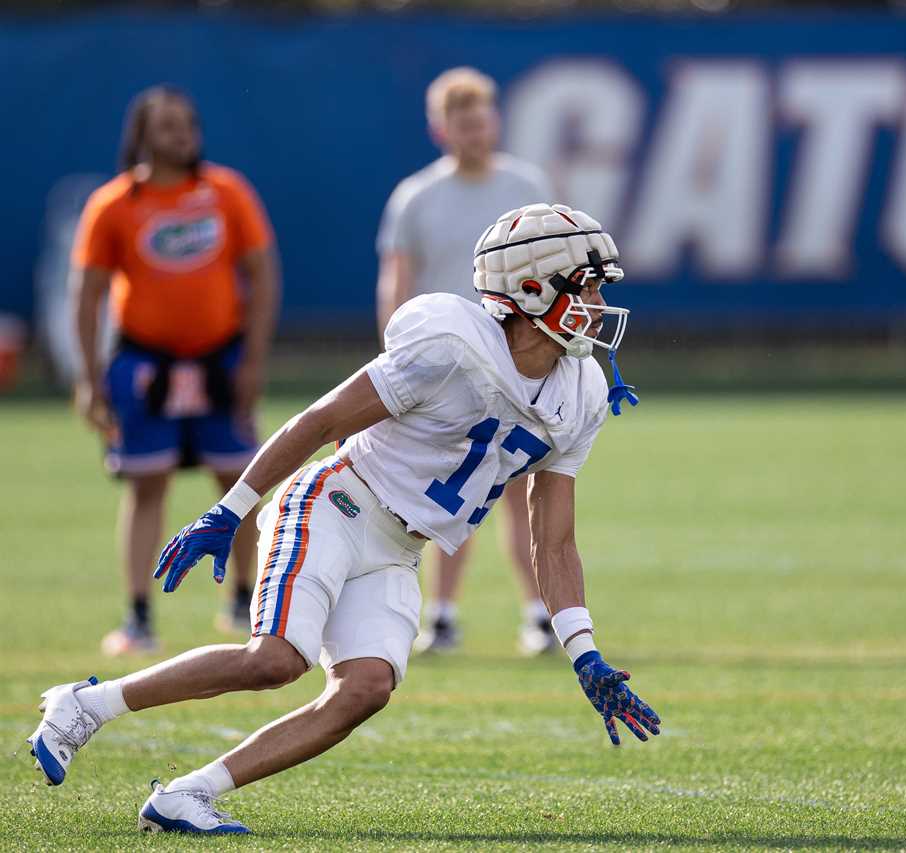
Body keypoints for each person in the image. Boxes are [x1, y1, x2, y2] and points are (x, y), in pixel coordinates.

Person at [27, 203, 653, 835]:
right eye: (588, 285)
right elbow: (320, 421)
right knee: (275, 660)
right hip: (336, 503)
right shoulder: (452, 346)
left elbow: (554, 539)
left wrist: (585, 651)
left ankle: (187, 795)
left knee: (365, 688)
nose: (599, 304)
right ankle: (86, 705)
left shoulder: (583, 393)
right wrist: (230, 509)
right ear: (530, 288)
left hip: (402, 548)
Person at [70, 86, 279, 653]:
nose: (181, 133)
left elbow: (262, 275)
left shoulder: (226, 192)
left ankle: (246, 602)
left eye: (187, 122)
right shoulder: (114, 204)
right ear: (140, 135)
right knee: (145, 486)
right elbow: (87, 294)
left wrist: (254, 360)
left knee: (240, 482)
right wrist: (90, 378)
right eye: (166, 125)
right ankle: (138, 616)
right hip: (144, 364)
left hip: (220, 358)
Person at [378, 67, 556, 656]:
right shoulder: (416, 196)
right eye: (462, 124)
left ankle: (539, 615)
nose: (474, 134)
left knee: (522, 490)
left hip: (519, 358)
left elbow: (555, 270)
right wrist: (398, 357)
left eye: (480, 122)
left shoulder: (526, 186)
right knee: (452, 495)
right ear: (440, 129)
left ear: (493, 122)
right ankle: (444, 616)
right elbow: (398, 283)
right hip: (448, 368)